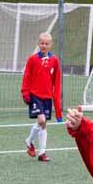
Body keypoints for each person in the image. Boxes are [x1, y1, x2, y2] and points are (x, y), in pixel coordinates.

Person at [21, 33, 62, 162]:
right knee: (42, 120)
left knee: (44, 125)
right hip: (35, 95)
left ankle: (42, 152)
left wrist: (58, 108)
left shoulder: (54, 60)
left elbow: (57, 82)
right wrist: (25, 92)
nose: (44, 46)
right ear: (38, 44)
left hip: (47, 97)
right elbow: (27, 76)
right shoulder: (32, 59)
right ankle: (29, 141)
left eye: (47, 43)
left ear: (51, 45)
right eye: (42, 43)